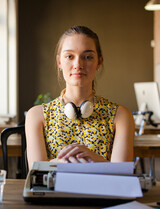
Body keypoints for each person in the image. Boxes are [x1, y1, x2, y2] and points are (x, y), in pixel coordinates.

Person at [25, 26, 134, 168]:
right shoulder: (36, 115)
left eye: (88, 57)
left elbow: (123, 175)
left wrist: (93, 158)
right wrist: (63, 162)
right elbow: (36, 172)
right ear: (59, 62)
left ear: (99, 63)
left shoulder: (121, 115)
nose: (78, 64)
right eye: (69, 56)